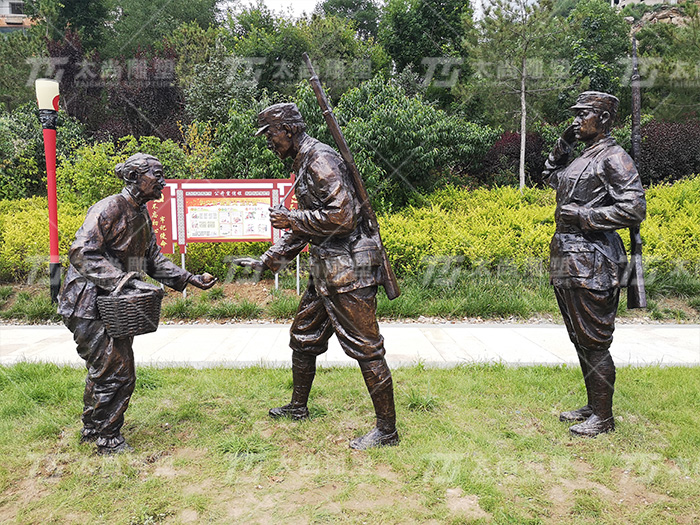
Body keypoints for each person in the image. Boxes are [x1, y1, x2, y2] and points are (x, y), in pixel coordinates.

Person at [236, 103, 399, 450]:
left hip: (350, 269)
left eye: (271, 135)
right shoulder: (303, 162)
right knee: (304, 335)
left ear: (289, 130)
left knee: (367, 349)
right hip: (327, 268)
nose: (270, 143)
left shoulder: (320, 160)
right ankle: (298, 407)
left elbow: (343, 218)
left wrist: (292, 219)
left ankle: (387, 431)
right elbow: (309, 226)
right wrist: (267, 261)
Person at [58, 153, 216, 454]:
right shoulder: (109, 208)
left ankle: (93, 428)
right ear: (134, 177)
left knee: (105, 368)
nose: (163, 182)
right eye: (156, 175)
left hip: (114, 304)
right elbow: (81, 251)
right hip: (88, 303)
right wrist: (124, 280)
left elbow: (152, 260)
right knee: (117, 372)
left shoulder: (141, 213)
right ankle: (107, 438)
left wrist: (189, 278)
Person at [543, 92, 646, 437]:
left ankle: (603, 417)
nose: (576, 120)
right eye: (574, 115)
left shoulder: (614, 157)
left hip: (594, 260)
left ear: (602, 119)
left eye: (582, 114)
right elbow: (550, 176)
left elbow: (634, 209)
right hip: (568, 257)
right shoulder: (583, 157)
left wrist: (584, 215)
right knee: (580, 337)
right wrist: (563, 143)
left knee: (594, 341)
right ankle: (594, 405)